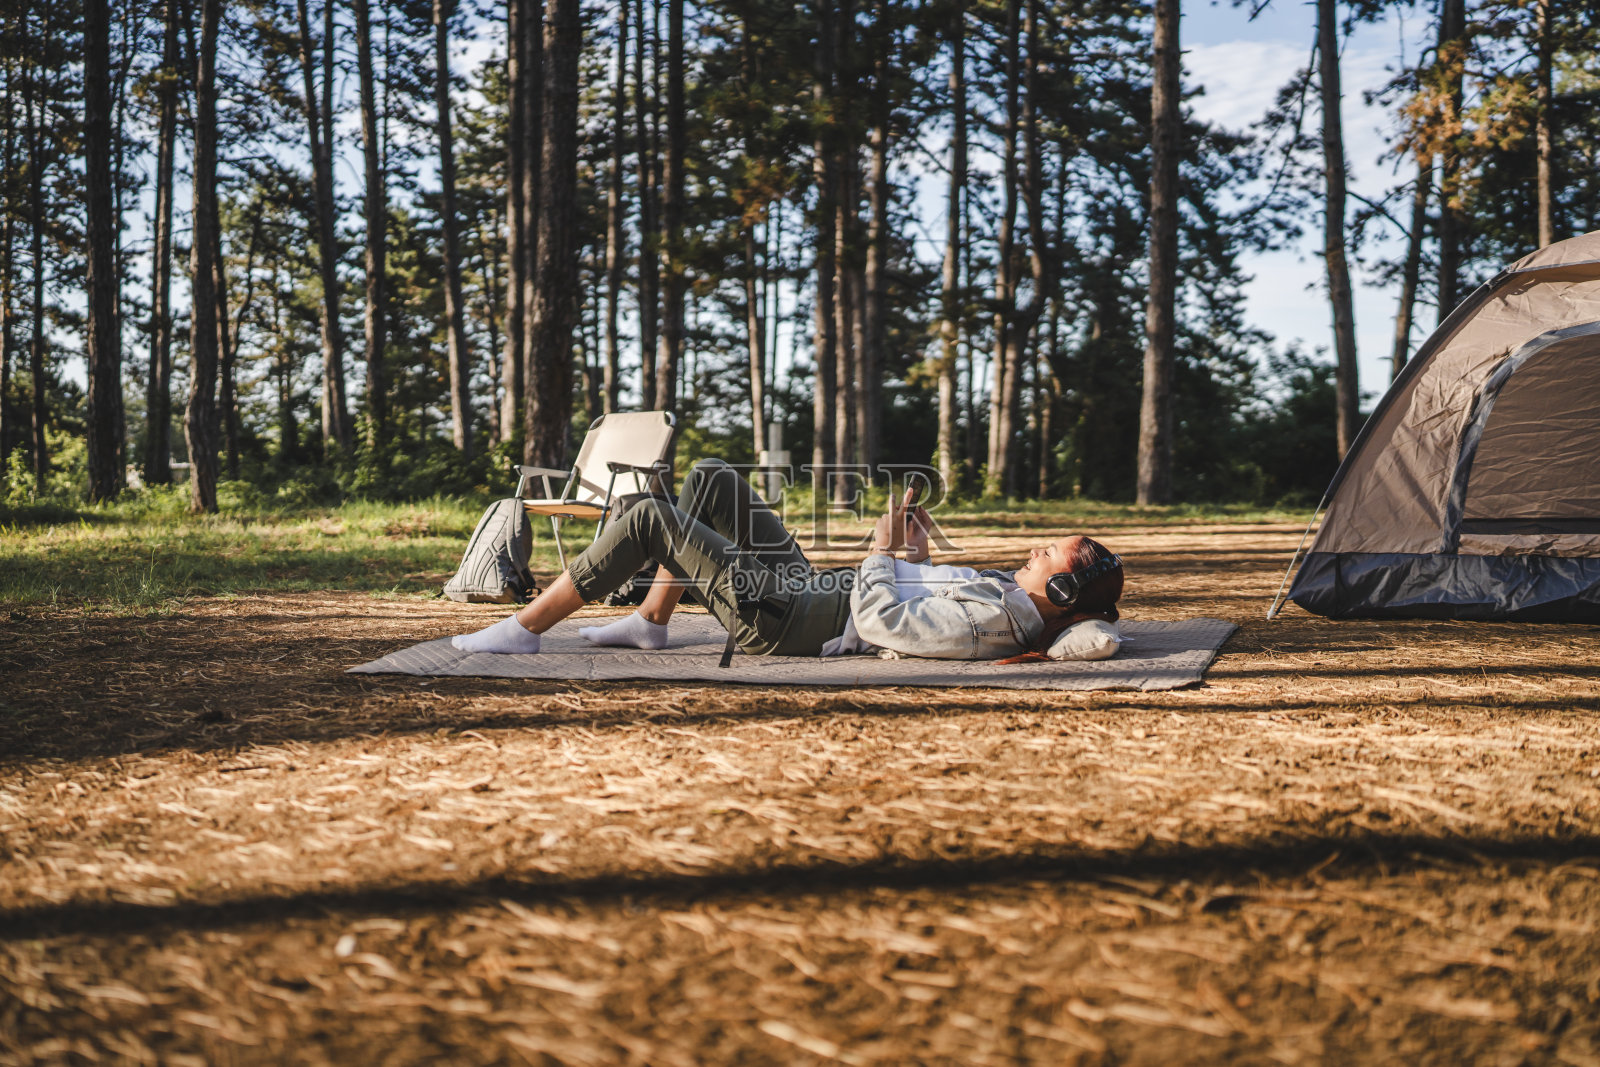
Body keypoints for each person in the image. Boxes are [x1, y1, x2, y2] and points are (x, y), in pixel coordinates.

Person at [451, 458, 1123, 660]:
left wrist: (884, 553)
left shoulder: (994, 622)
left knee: (654, 517)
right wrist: (914, 556)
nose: (1033, 550)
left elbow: (888, 621)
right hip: (807, 585)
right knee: (714, 478)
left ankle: (524, 630)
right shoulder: (1006, 597)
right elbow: (914, 595)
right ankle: (652, 618)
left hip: (788, 617)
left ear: (1062, 589)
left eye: (1046, 554)